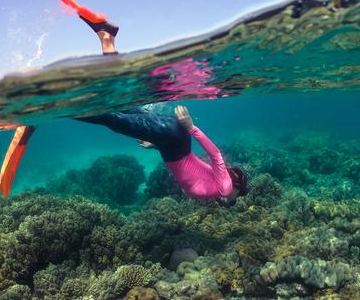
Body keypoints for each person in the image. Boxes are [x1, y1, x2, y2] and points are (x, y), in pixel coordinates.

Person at [75, 16, 247, 200]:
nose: (232, 200)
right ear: (237, 188)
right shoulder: (225, 189)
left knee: (120, 105)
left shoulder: (213, 182)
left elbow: (187, 164)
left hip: (170, 141)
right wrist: (191, 127)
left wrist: (156, 146)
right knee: (111, 118)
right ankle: (47, 108)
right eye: (237, 197)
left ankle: (107, 40)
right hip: (174, 138)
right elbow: (216, 154)